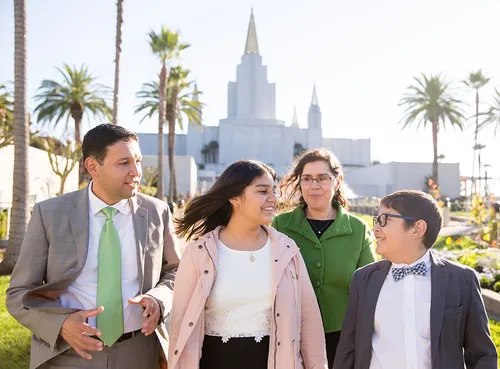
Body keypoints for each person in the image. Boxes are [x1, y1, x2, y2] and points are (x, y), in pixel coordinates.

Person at [7, 124, 180, 369]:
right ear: (92, 167)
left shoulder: (157, 212)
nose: (136, 172)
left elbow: (175, 271)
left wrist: (158, 299)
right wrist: (61, 325)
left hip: (139, 353)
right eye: (124, 163)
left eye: (138, 161)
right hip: (68, 354)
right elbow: (18, 294)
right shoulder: (50, 214)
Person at [168, 160, 328, 369]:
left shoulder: (287, 250)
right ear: (234, 197)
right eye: (262, 191)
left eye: (274, 191)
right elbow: (180, 323)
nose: (273, 199)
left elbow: (309, 323)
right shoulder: (199, 251)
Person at [334, 190, 498, 369]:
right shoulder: (364, 279)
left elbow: (482, 355)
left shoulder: (461, 280)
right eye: (376, 220)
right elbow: (348, 350)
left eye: (384, 220)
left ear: (417, 229)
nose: (375, 229)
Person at [272, 148, 376, 368]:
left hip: (343, 338)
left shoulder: (358, 230)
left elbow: (370, 288)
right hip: (291, 333)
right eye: (307, 179)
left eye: (322, 178)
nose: (314, 186)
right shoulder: (281, 226)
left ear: (337, 181)